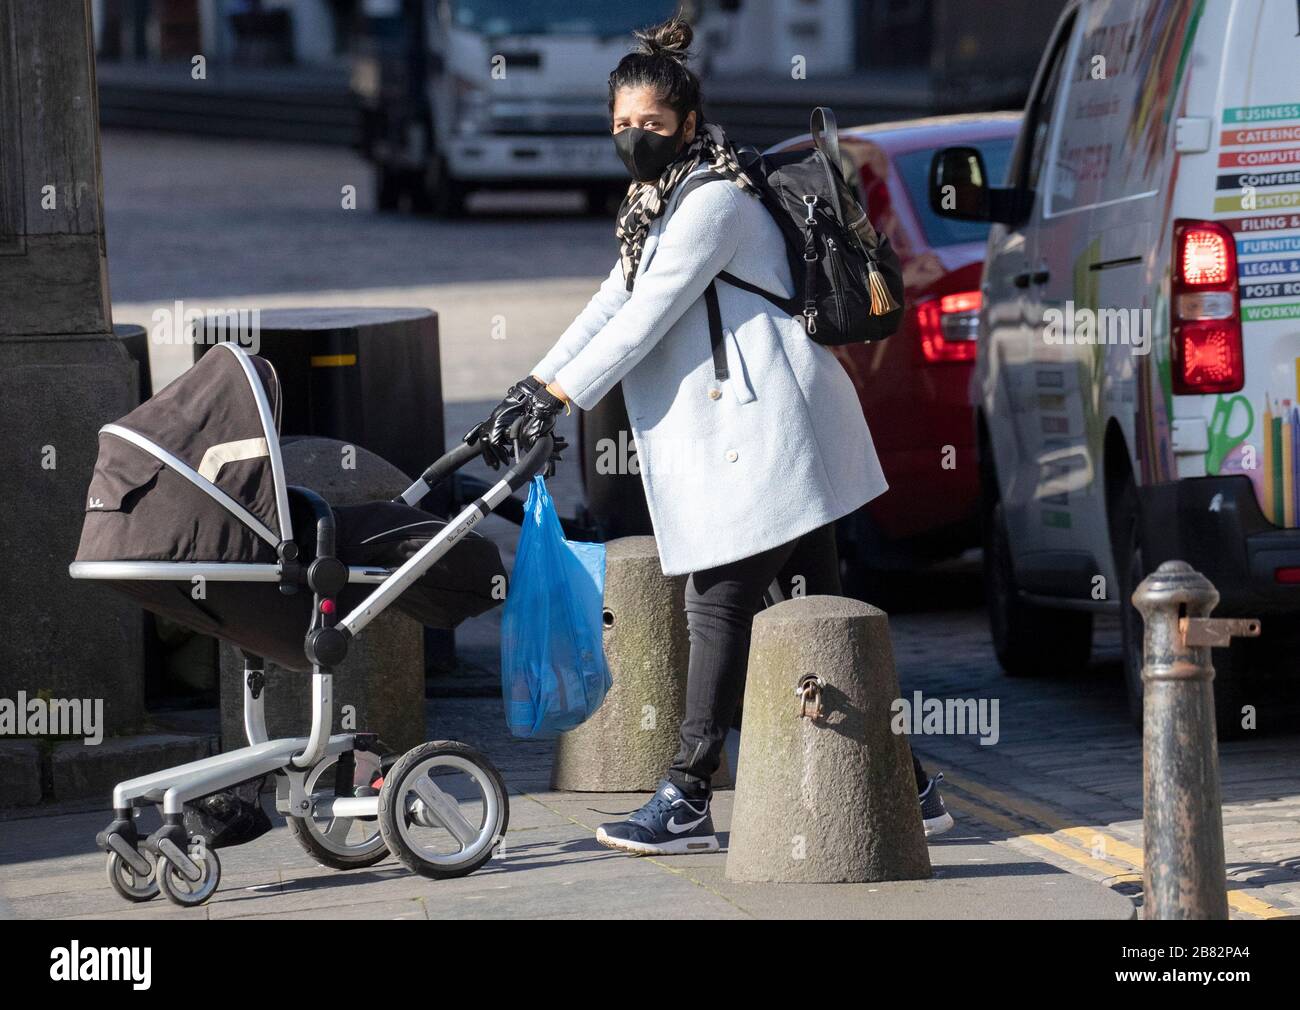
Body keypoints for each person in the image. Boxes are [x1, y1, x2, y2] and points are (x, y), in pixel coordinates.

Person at [472, 16, 953, 855]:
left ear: (689, 126)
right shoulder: (656, 206)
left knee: (719, 599)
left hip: (770, 431)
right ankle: (910, 790)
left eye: (651, 127)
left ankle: (688, 790)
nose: (634, 140)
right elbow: (609, 303)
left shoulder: (715, 203)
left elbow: (646, 319)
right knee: (824, 616)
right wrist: (530, 382)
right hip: (759, 435)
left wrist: (555, 395)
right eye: (621, 126)